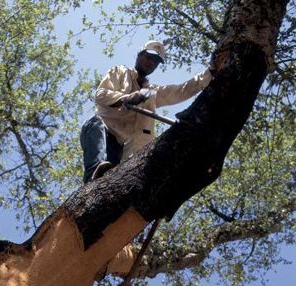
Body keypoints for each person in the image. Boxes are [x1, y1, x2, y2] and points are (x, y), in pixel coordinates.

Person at [81, 40, 213, 183]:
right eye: (149, 57)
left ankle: (103, 180)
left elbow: (182, 90)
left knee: (112, 174)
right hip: (100, 130)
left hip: (120, 146)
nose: (151, 63)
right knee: (96, 126)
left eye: (155, 62)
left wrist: (210, 72)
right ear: (139, 56)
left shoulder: (151, 93)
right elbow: (101, 94)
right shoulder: (120, 72)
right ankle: (93, 174)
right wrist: (127, 98)